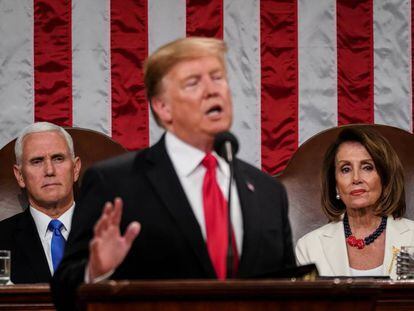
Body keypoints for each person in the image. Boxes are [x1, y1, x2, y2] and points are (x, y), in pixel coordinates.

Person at [51, 37, 295, 309]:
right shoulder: (115, 182)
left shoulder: (268, 192)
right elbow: (62, 293)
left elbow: (291, 292)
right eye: (194, 82)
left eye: (217, 77)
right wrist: (95, 271)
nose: (212, 90)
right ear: (162, 107)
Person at [296, 126, 414, 279]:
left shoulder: (411, 237)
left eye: (367, 167)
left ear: (385, 179)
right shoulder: (309, 247)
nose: (356, 178)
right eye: (345, 169)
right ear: (336, 185)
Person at [0, 122, 81, 283]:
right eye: (37, 161)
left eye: (58, 158)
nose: (49, 170)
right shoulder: (2, 239)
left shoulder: (112, 232)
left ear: (75, 169)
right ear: (20, 176)